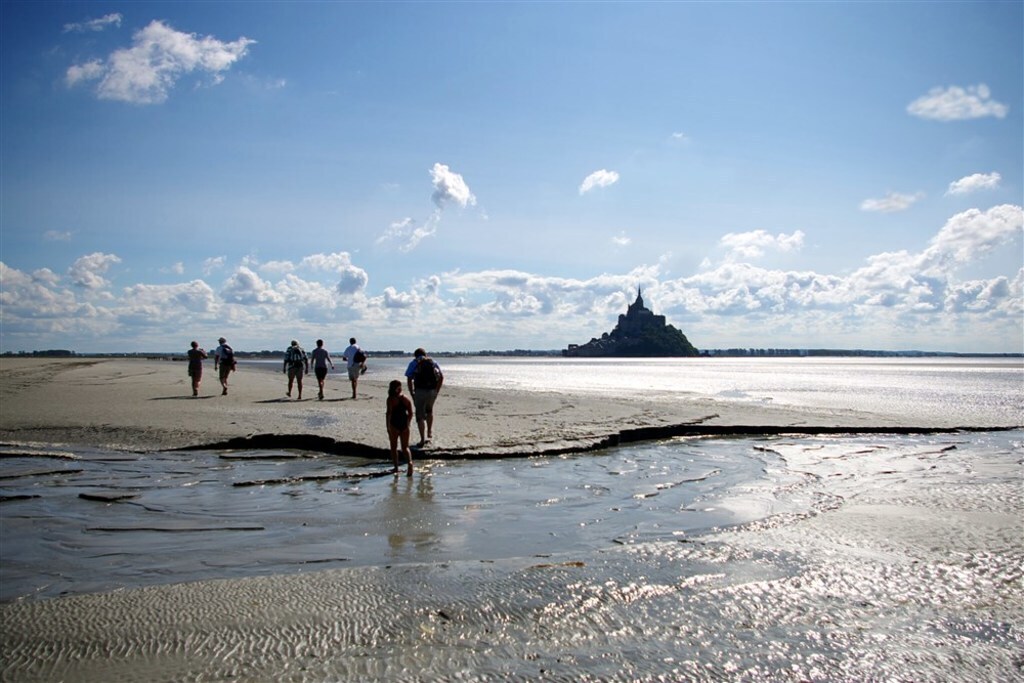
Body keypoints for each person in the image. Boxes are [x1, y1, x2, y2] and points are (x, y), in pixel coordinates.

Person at [405, 348, 443, 448]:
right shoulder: (433, 362)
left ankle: (422, 439)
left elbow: (409, 378)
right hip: (432, 391)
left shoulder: (414, 363)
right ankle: (429, 431)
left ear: (415, 355)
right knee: (429, 410)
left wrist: (412, 392)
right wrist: (436, 391)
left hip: (420, 391)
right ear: (425, 354)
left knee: (420, 415)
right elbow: (441, 377)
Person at [385, 379, 414, 476]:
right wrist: (408, 423)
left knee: (394, 447)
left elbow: (389, 413)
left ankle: (396, 468)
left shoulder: (390, 399)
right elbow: (410, 413)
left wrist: (388, 426)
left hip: (394, 424)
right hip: (404, 424)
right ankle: (410, 463)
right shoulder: (406, 398)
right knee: (405, 447)